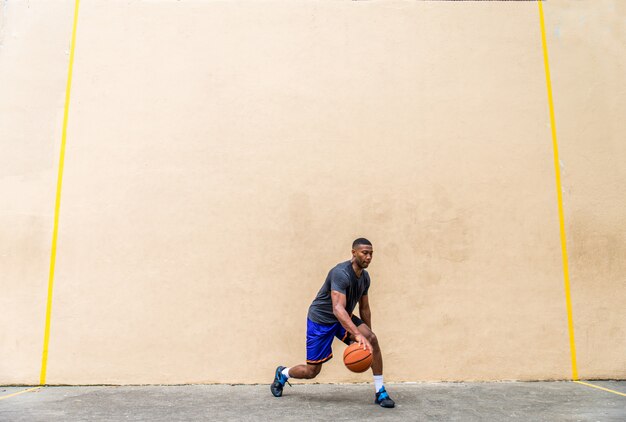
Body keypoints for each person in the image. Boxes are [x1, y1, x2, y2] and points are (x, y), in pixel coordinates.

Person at [271, 238, 395, 408]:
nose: (368, 257)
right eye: (364, 253)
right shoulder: (340, 273)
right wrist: (357, 335)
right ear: (354, 253)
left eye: (371, 254)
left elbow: (364, 308)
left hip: (342, 317)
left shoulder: (365, 278)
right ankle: (283, 374)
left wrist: (367, 337)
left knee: (372, 339)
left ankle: (380, 391)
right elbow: (337, 308)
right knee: (312, 371)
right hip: (321, 320)